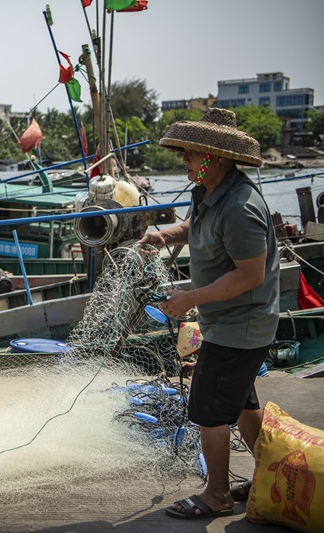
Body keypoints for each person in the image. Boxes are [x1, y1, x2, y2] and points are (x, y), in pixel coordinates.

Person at [137, 108, 279, 520]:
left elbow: (250, 274)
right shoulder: (207, 190)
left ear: (212, 157)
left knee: (207, 409)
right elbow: (194, 227)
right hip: (228, 322)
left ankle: (216, 495)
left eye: (189, 155)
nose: (184, 160)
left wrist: (189, 298)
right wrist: (164, 234)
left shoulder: (240, 206)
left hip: (242, 326)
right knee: (240, 405)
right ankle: (269, 476)